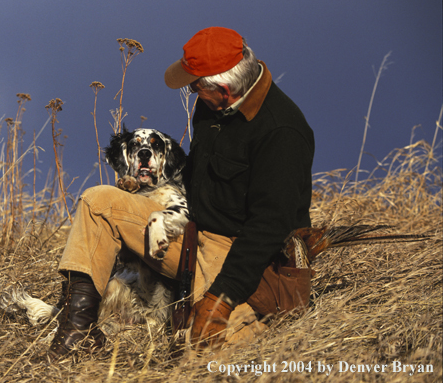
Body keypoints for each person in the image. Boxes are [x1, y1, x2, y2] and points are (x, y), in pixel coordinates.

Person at [47, 26, 314, 359]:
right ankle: (78, 336)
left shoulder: (282, 131)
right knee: (98, 201)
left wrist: (221, 299)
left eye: (195, 85)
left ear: (226, 90)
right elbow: (196, 173)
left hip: (241, 255)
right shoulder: (212, 105)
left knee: (205, 354)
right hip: (189, 228)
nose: (191, 90)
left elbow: (268, 229)